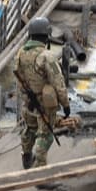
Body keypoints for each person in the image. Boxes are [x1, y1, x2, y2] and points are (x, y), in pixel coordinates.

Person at [14, 17, 69, 169]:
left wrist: (27, 97)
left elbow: (19, 79)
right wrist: (65, 104)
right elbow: (59, 83)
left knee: (29, 130)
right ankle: (40, 170)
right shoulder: (47, 56)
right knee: (44, 135)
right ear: (46, 36)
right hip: (45, 104)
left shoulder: (20, 54)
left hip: (29, 103)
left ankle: (26, 158)